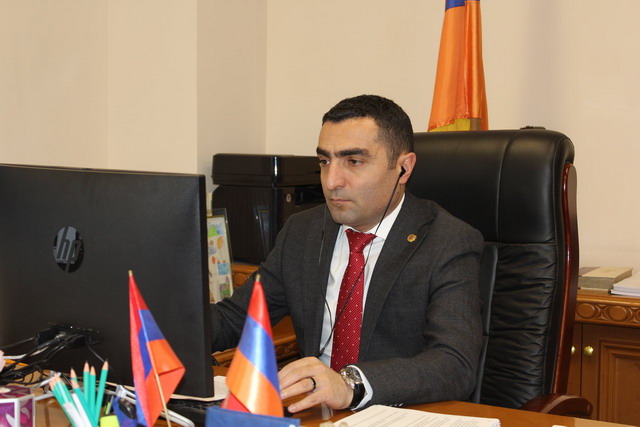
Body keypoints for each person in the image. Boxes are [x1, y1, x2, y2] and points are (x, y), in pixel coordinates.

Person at [210, 94, 483, 413]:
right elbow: (236, 318)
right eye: (325, 161)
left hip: (396, 414)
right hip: (316, 413)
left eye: (353, 161)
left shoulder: (447, 241)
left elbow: (455, 363)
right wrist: (166, 329)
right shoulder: (303, 231)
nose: (331, 181)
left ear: (403, 168)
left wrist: (350, 384)